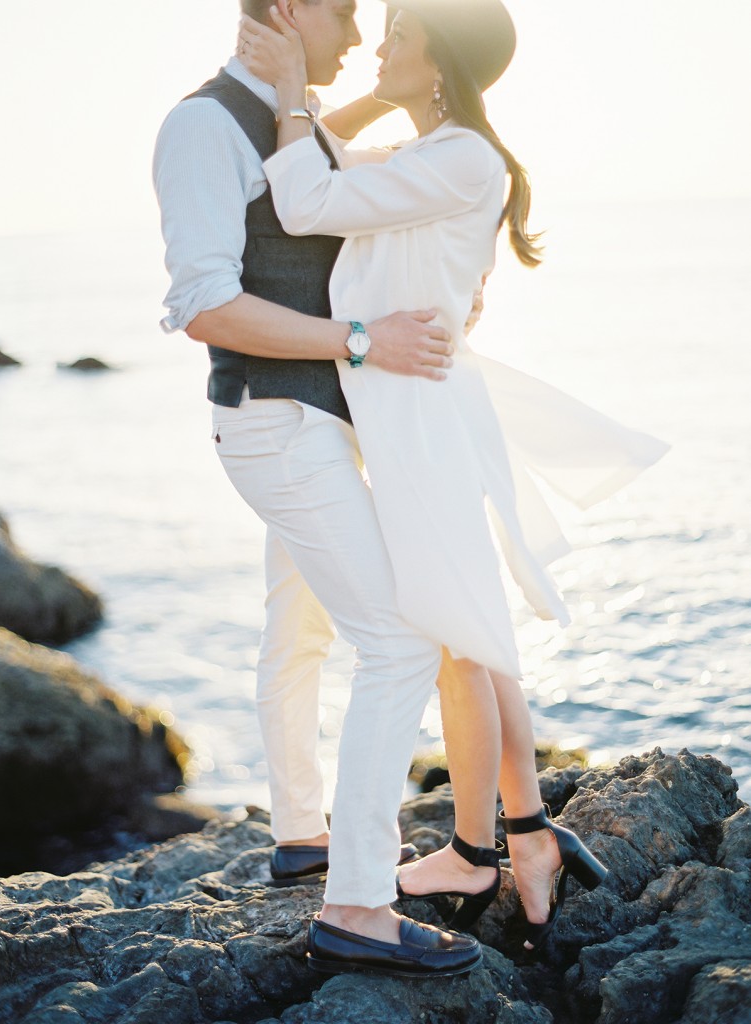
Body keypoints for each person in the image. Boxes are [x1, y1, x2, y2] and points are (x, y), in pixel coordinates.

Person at [238, 0, 669, 955]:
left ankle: (490, 848)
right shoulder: (434, 155)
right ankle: (517, 836)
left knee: (457, 633)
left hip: (417, 421)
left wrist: (292, 97)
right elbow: (334, 170)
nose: (378, 48)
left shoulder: (460, 158)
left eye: (397, 36)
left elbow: (304, 200)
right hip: (397, 416)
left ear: (440, 63)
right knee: (461, 629)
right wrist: (333, 99)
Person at [154, 0, 486, 979]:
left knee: (296, 628)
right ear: (293, 8)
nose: (354, 31)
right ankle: (355, 903)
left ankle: (302, 830)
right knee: (400, 639)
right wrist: (360, 341)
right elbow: (206, 305)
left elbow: (338, 180)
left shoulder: (291, 118)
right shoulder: (201, 126)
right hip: (275, 422)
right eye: (343, 11)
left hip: (320, 427)